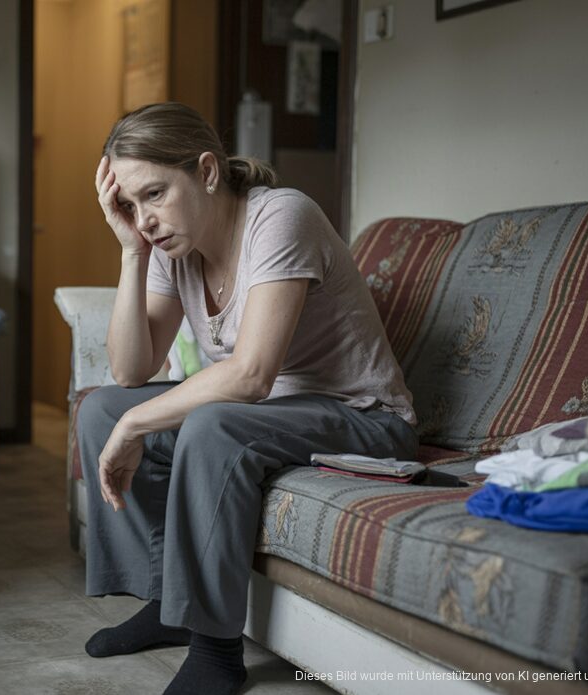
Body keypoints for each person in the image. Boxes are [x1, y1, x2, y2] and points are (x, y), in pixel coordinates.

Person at [78, 102, 418, 695]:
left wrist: (136, 426)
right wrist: (132, 251)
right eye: (130, 204)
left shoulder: (281, 216)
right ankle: (165, 605)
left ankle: (215, 649)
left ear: (207, 171)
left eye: (155, 193)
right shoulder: (168, 246)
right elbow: (131, 370)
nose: (146, 218)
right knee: (101, 410)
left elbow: (252, 375)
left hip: (363, 417)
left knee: (207, 424)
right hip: (268, 415)